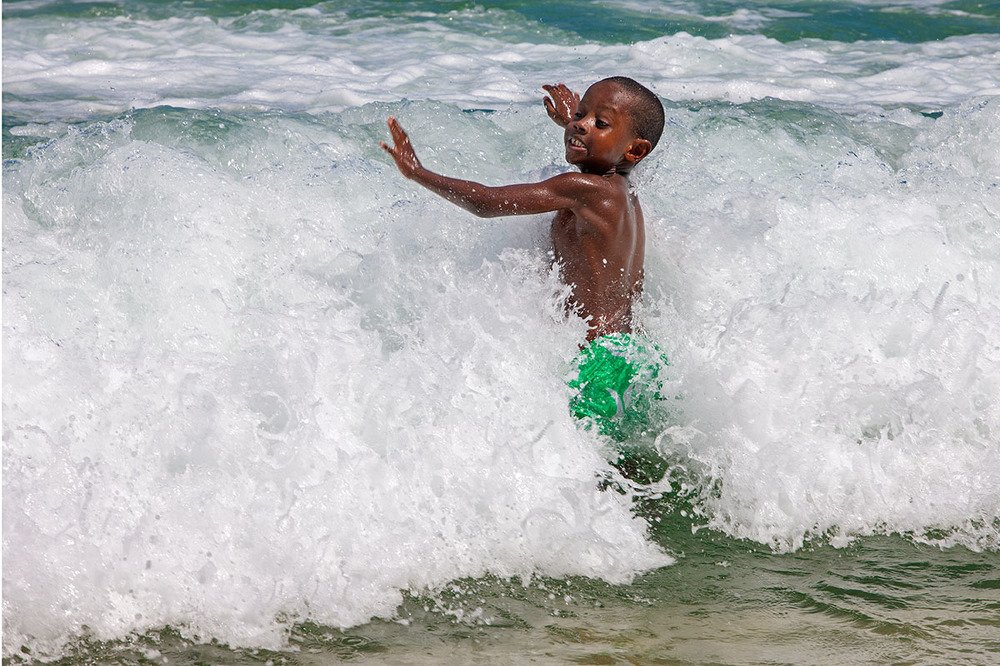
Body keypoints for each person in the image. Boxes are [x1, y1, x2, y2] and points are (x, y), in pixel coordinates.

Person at [381, 77, 668, 457]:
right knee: (621, 466)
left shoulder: (583, 189)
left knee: (576, 464)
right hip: (630, 354)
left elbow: (486, 203)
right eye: (581, 115)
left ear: (634, 151)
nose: (580, 124)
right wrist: (575, 124)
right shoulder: (623, 190)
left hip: (595, 363)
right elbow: (610, 150)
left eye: (600, 123)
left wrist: (418, 173)